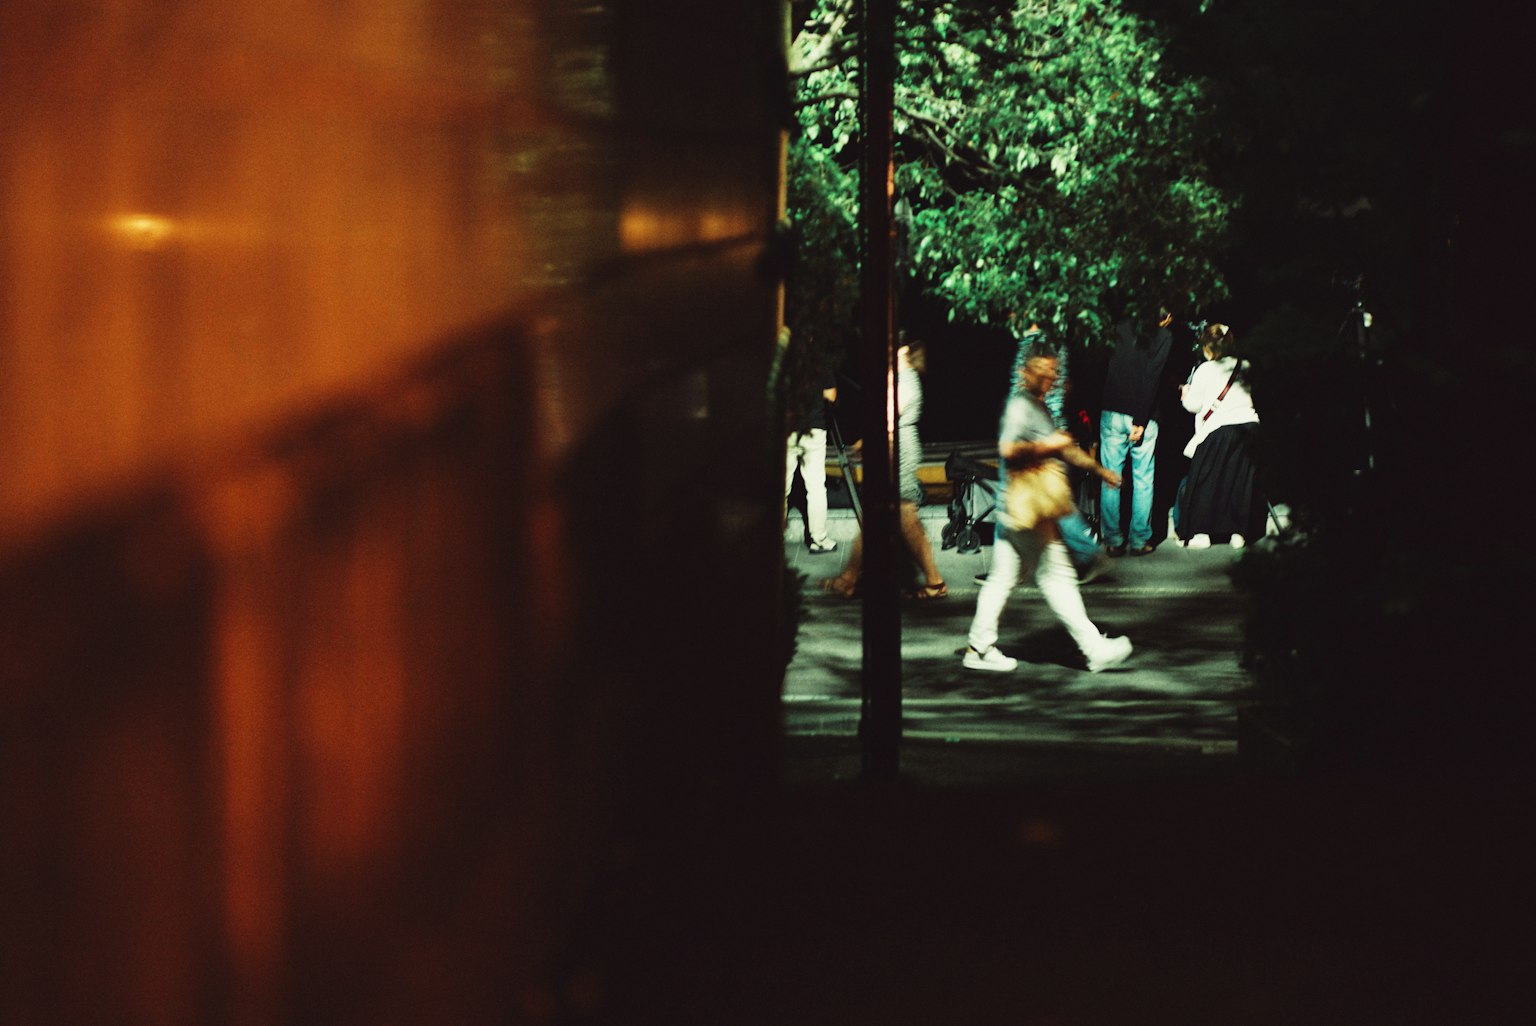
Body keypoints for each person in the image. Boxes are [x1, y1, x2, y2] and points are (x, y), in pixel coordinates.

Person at [963, 349, 1134, 673]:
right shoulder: (1019, 406)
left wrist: (1099, 471)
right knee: (1057, 577)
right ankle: (1093, 648)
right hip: (1029, 510)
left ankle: (978, 648)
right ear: (1027, 372)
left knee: (1001, 580)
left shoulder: (1038, 406)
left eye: (1054, 371)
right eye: (1044, 370)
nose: (1051, 377)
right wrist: (1048, 446)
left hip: (1018, 510)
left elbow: (1065, 449)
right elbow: (1008, 449)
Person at [820, 336, 948, 599]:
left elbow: (889, 414)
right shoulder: (901, 378)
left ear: (903, 351)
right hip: (893, 449)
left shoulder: (908, 380)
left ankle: (935, 581)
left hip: (899, 451)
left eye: (892, 349)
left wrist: (867, 440)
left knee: (906, 516)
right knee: (876, 515)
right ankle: (850, 577)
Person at [1008, 320, 1111, 583]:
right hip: (1042, 430)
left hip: (1035, 434)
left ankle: (1086, 553)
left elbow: (1029, 391)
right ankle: (1014, 566)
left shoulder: (1034, 345)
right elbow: (1062, 388)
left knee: (1051, 504)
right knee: (1049, 503)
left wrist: (1032, 432)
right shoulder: (1056, 343)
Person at [1176, 322, 1262, 549]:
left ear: (1207, 346)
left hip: (1219, 427)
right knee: (1239, 480)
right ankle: (1238, 533)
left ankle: (1201, 533)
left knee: (1206, 480)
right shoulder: (1245, 365)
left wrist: (1185, 395)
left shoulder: (1205, 369)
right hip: (1249, 425)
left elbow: (1194, 405)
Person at [1098, 309, 1173, 556]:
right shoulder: (1162, 335)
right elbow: (1152, 377)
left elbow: (1102, 370)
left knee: (1111, 477)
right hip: (1143, 415)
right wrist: (1140, 419)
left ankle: (1112, 539)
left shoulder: (1116, 327)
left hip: (1111, 410)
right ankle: (1139, 540)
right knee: (1142, 480)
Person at [784, 368, 840, 554]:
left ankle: (774, 540)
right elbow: (831, 396)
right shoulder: (819, 362)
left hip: (787, 428)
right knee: (815, 487)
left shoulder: (784, 360)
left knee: (781, 488)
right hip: (814, 429)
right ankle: (819, 539)